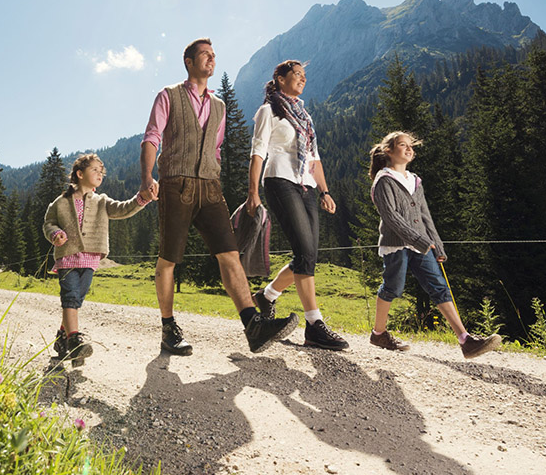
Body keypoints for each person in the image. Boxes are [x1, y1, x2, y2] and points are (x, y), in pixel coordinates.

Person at [140, 38, 298, 355]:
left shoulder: (220, 106)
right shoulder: (168, 96)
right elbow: (152, 137)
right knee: (169, 258)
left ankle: (253, 326)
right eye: (204, 55)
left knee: (229, 253)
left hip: (210, 187)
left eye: (214, 55)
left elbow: (215, 148)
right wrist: (147, 177)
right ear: (188, 61)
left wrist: (216, 175)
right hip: (176, 183)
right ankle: (168, 327)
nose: (211, 59)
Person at [368, 131, 502, 359]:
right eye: (403, 145)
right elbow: (391, 217)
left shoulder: (414, 180)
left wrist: (437, 245)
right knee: (393, 287)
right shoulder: (383, 181)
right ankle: (378, 333)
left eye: (411, 146)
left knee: (439, 287)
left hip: (423, 244)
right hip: (396, 245)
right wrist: (419, 240)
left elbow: (424, 215)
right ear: (388, 151)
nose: (409, 149)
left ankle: (465, 340)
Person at [246, 60, 349, 350]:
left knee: (308, 255)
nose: (302, 79)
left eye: (305, 76)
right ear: (279, 78)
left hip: (307, 186)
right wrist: (252, 192)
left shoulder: (304, 116)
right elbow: (258, 153)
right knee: (304, 252)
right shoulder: (269, 111)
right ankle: (314, 324)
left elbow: (314, 158)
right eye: (297, 75)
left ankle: (266, 296)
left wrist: (325, 192)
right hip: (279, 180)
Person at [43, 153, 154, 365]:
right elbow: (48, 223)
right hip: (66, 257)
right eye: (94, 170)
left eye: (101, 172)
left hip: (91, 259)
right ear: (79, 173)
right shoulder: (60, 202)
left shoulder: (102, 201)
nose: (99, 174)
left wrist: (142, 199)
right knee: (70, 297)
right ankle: (74, 341)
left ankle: (61, 338)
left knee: (76, 300)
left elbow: (123, 209)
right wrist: (54, 234)